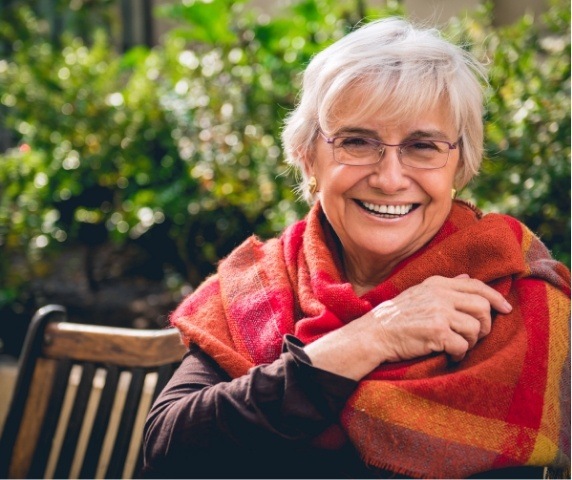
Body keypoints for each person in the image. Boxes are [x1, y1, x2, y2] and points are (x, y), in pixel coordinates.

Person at [142, 17, 570, 479]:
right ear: (308, 158)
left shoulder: (514, 291)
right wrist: (370, 337)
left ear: (459, 166)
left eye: (422, 146)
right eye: (357, 142)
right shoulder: (258, 286)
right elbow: (168, 449)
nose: (389, 178)